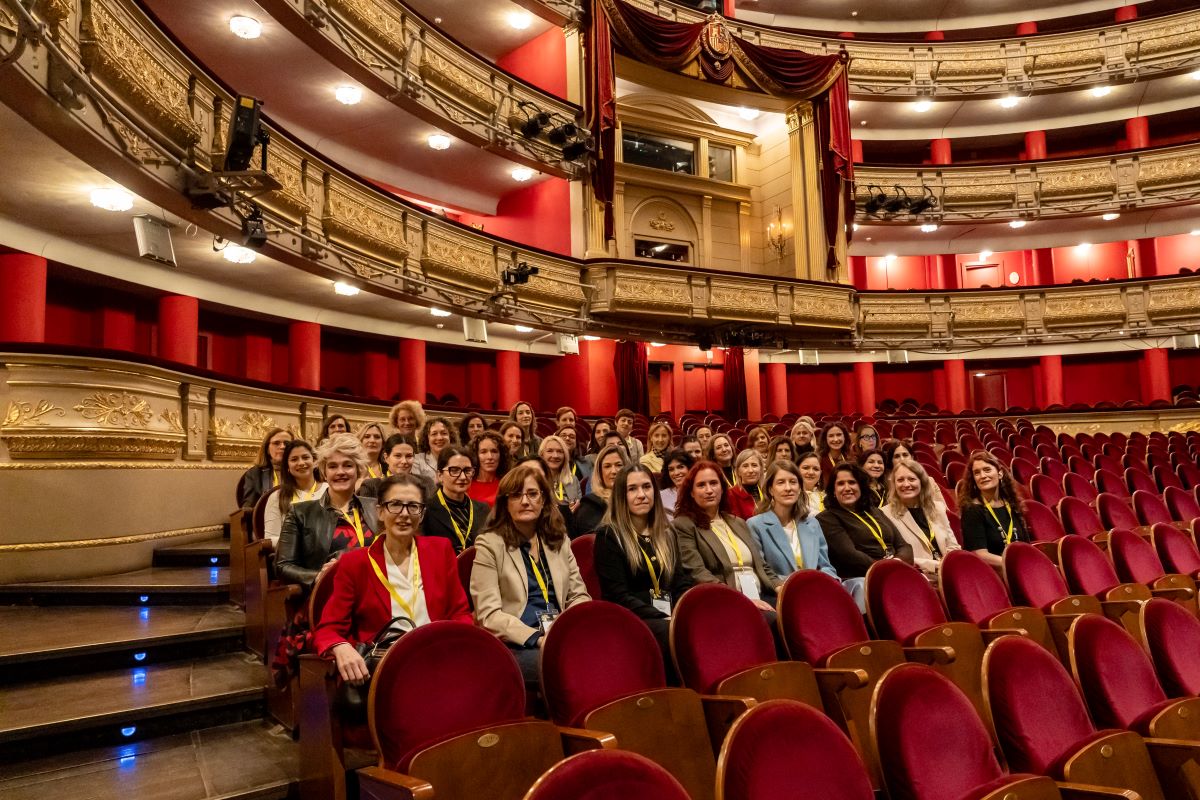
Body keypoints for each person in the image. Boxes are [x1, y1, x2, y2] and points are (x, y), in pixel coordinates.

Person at [312, 475, 472, 684]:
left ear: (422, 514)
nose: (404, 514)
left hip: (439, 658)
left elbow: (460, 613)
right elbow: (328, 629)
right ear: (379, 511)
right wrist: (340, 646)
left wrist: (459, 646)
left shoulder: (440, 550)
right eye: (395, 505)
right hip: (388, 666)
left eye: (413, 506)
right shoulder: (355, 562)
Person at [470, 465, 591, 682]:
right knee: (569, 670)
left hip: (560, 634)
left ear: (543, 499)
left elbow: (578, 595)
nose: (525, 501)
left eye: (533, 494)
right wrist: (537, 638)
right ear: (505, 503)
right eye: (516, 495)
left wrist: (568, 630)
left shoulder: (559, 541)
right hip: (520, 641)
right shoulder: (490, 545)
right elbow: (488, 615)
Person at [595, 464, 694, 657]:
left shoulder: (667, 532)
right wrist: (663, 616)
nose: (641, 494)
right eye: (632, 489)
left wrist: (683, 611)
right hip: (632, 617)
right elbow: (617, 595)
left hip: (668, 616)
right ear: (621, 496)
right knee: (671, 634)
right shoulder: (608, 536)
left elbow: (680, 581)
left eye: (647, 487)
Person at [276, 433, 379, 590]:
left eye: (348, 465)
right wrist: (319, 576)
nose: (340, 472)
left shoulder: (376, 508)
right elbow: (283, 565)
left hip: (376, 588)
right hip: (330, 594)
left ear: (358, 470)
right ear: (324, 472)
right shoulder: (300, 513)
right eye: (332, 466)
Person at [673, 461, 780, 609]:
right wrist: (741, 599)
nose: (709, 490)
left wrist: (781, 587)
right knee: (774, 620)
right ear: (691, 492)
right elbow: (697, 573)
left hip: (761, 595)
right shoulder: (684, 525)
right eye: (701, 485)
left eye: (713, 483)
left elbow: (762, 566)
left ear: (722, 489)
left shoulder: (739, 523)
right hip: (724, 601)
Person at [818, 463, 913, 609]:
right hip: (860, 578)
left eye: (852, 482)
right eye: (840, 484)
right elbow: (849, 555)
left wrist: (897, 562)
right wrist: (886, 569)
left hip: (892, 570)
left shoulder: (875, 511)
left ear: (861, 486)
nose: (847, 488)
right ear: (833, 490)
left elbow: (903, 545)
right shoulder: (827, 518)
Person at [747, 461, 838, 581]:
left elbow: (825, 566)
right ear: (770, 490)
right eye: (781, 483)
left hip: (816, 590)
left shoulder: (812, 523)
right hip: (780, 594)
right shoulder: (755, 525)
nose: (788, 488)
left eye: (793, 482)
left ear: (800, 488)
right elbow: (762, 571)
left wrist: (828, 582)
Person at [882, 461, 960, 583]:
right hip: (917, 578)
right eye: (900, 480)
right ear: (894, 485)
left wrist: (949, 566)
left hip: (948, 574)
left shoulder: (938, 508)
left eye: (912, 479)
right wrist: (935, 565)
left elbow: (953, 546)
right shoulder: (885, 515)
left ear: (922, 482)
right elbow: (895, 557)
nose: (906, 484)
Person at [957, 450, 1029, 569]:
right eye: (977, 473)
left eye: (987, 470)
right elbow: (979, 554)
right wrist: (1015, 564)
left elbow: (1026, 545)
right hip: (994, 573)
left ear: (1000, 474)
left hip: (1020, 569)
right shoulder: (972, 509)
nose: (983, 476)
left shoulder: (1011, 504)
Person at [422, 445, 489, 554]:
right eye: (454, 470)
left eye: (467, 470)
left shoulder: (483, 509)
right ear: (440, 475)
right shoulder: (426, 510)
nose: (462, 477)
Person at [264, 440, 327, 544]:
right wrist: (300, 543)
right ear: (287, 467)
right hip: (293, 555)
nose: (301, 463)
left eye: (305, 457)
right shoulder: (277, 497)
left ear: (314, 461)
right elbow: (270, 539)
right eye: (294, 459)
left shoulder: (329, 490)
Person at [360, 434, 434, 500]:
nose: (404, 461)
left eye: (409, 456)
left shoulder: (426, 483)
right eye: (398, 456)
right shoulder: (371, 486)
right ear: (386, 457)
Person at [574, 444, 627, 535]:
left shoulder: (635, 499)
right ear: (600, 472)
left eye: (619, 465)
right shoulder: (590, 505)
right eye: (607, 466)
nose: (614, 471)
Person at [238, 427, 293, 509]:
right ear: (267, 449)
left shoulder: (300, 470)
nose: (282, 447)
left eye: (287, 443)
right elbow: (248, 507)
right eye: (276, 443)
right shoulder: (255, 473)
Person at [539, 434, 582, 508]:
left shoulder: (573, 480)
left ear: (565, 456)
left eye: (560, 451)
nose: (555, 455)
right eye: (550, 451)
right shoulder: (535, 480)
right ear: (542, 455)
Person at [468, 430, 509, 507]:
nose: (490, 457)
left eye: (494, 451)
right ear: (476, 455)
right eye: (483, 452)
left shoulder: (506, 484)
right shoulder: (466, 484)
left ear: (501, 455)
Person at [413, 416, 456, 484]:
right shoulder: (417, 460)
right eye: (434, 434)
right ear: (427, 439)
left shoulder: (458, 459)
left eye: (444, 433)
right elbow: (417, 487)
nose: (439, 438)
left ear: (450, 437)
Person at [726, 450, 765, 519]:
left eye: (754, 465)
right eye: (745, 466)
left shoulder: (767, 492)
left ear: (761, 469)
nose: (750, 470)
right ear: (738, 471)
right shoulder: (731, 495)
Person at [658, 448, 694, 522]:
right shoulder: (661, 496)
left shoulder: (699, 492)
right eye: (671, 469)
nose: (676, 473)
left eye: (680, 467)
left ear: (689, 468)